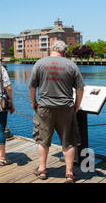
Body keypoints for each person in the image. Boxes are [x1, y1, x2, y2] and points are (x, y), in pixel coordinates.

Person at [28, 40, 85, 183]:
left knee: (43, 140)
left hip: (45, 107)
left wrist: (33, 102)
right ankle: (69, 173)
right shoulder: (71, 65)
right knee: (68, 141)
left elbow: (31, 86)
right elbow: (80, 89)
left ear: (51, 49)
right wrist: (77, 106)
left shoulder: (40, 63)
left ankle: (42, 170)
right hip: (66, 108)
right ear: (64, 52)